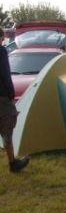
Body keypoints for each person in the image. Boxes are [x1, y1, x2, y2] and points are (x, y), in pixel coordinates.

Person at [0, 28, 29, 172]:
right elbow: (5, 74)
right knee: (7, 130)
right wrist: (11, 96)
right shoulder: (1, 51)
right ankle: (13, 163)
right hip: (2, 98)